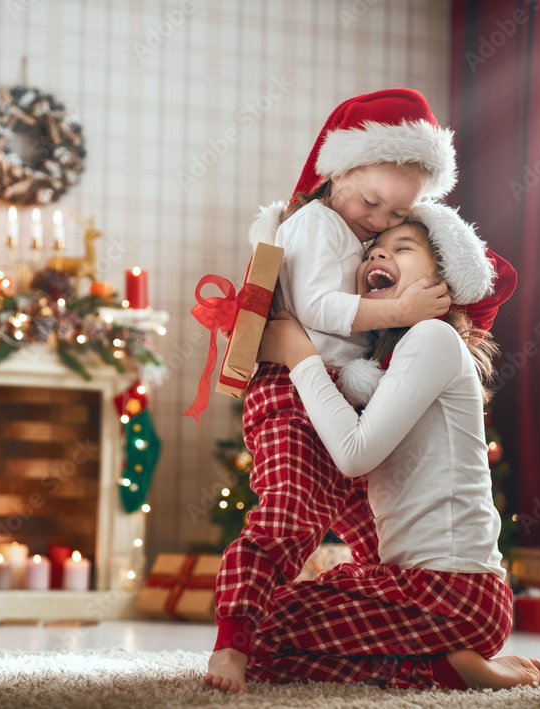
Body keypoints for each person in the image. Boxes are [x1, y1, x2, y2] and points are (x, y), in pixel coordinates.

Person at [205, 89, 487, 693]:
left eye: (397, 216)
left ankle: (417, 636)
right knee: (285, 518)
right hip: (290, 394)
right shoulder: (313, 223)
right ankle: (231, 645)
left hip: (339, 401)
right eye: (372, 203)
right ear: (339, 172)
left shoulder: (359, 236)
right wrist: (405, 304)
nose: (380, 222)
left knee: (379, 532)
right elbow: (317, 308)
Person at [237, 203, 540, 692]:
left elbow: (354, 454)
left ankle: (440, 671)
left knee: (263, 629)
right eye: (374, 251)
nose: (378, 256)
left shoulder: (433, 337)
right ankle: (442, 664)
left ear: (441, 282)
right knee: (266, 626)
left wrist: (300, 355)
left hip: (453, 592)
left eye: (402, 249)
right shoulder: (396, 358)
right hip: (431, 590)